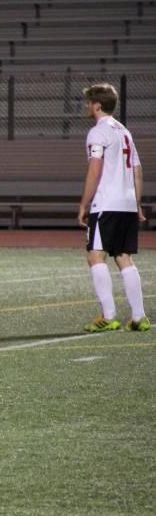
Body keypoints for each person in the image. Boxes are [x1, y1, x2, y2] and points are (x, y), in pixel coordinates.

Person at [77, 83, 149, 332]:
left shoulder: (98, 132)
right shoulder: (124, 131)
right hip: (127, 203)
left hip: (106, 203)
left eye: (88, 102)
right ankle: (139, 317)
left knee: (96, 255)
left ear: (97, 105)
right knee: (123, 257)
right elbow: (137, 171)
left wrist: (83, 204)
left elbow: (95, 170)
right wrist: (137, 205)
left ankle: (108, 315)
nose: (86, 106)